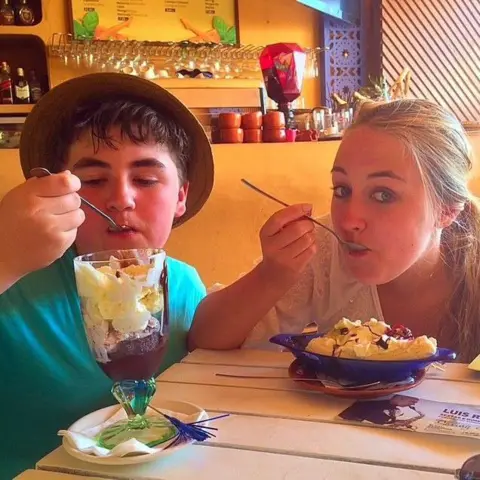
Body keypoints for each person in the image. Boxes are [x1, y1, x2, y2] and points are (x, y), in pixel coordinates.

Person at [0, 73, 213, 479]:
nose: (121, 199)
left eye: (146, 179)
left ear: (181, 196)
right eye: (94, 180)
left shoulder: (184, 287)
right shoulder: (14, 284)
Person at [189, 99, 480, 363]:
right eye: (342, 189)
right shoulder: (325, 248)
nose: (350, 219)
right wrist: (270, 276)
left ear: (446, 211)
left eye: (383, 195)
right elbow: (206, 338)